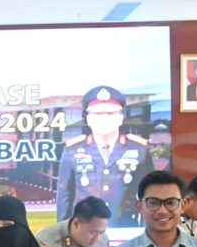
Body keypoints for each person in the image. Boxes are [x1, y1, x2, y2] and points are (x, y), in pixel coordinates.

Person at [56, 86, 154, 226]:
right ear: (88, 119)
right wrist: (63, 232)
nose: (104, 119)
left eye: (110, 113)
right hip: (85, 229)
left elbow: (150, 195)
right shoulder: (72, 150)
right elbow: (65, 196)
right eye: (98, 114)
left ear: (121, 118)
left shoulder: (139, 149)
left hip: (126, 227)